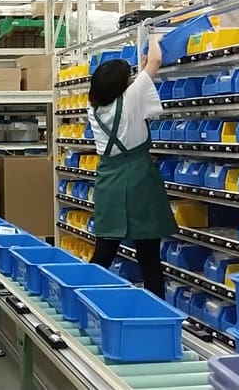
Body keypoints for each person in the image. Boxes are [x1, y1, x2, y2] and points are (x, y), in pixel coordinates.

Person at [86, 33, 177, 299]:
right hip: (139, 181)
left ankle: (82, 296)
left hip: (109, 182)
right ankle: (157, 313)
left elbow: (132, 89)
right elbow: (157, 60)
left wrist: (141, 71)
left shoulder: (93, 108)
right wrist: (154, 37)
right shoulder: (132, 98)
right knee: (149, 258)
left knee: (104, 252)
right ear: (123, 85)